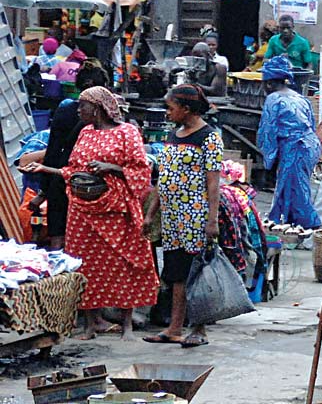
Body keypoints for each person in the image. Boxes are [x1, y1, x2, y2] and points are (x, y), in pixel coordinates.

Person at [20, 87, 156, 339]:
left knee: (123, 263)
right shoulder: (84, 132)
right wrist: (45, 169)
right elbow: (73, 169)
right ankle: (91, 323)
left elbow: (140, 170)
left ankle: (126, 323)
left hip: (116, 210)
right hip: (82, 211)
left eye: (83, 106)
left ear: (98, 107)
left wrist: (110, 167)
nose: (79, 111)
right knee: (85, 265)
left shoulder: (127, 132)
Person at [145, 84, 223, 348]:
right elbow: (162, 179)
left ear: (186, 109)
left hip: (196, 218)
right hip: (173, 218)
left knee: (197, 273)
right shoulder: (174, 135)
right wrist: (151, 214)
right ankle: (175, 328)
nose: (167, 113)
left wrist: (212, 220)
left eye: (170, 108)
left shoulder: (209, 137)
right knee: (176, 272)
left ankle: (199, 328)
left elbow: (214, 183)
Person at [30, 61, 110, 250]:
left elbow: (53, 153)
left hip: (62, 179)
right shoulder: (112, 119)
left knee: (59, 235)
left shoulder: (66, 111)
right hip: (94, 187)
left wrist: (43, 191)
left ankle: (63, 276)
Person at [256, 56, 322, 227]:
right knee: (292, 185)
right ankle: (290, 224)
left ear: (269, 83)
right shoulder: (299, 97)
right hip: (310, 145)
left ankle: (310, 226)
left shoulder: (273, 99)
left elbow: (268, 131)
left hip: (296, 147)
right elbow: (311, 124)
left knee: (296, 189)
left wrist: (268, 161)